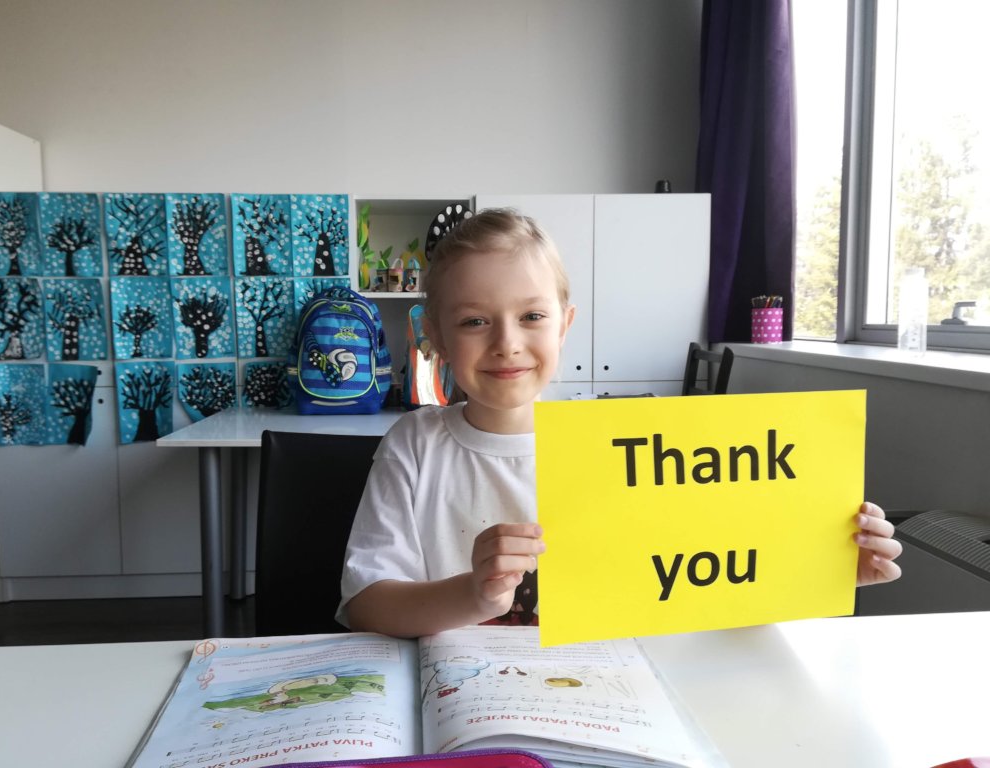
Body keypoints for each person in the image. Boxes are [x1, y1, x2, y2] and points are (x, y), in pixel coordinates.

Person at [337, 208, 903, 638]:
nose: (507, 343)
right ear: (433, 337)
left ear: (564, 326)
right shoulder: (414, 446)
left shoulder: (622, 446)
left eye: (532, 316)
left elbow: (703, 574)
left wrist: (818, 565)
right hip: (461, 704)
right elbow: (366, 603)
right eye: (474, 321)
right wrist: (475, 596)